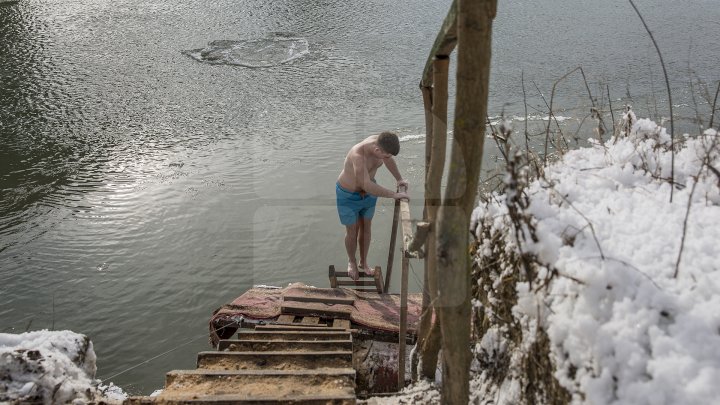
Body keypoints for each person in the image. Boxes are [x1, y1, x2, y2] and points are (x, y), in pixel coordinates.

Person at [336, 131, 409, 281]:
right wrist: (393, 194)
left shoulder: (381, 142)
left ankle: (364, 262)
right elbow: (367, 185)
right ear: (377, 151)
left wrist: (399, 179)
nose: (387, 158)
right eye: (386, 155)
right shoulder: (358, 155)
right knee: (352, 230)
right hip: (348, 195)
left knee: (366, 227)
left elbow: (388, 160)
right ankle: (352, 262)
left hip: (368, 195)